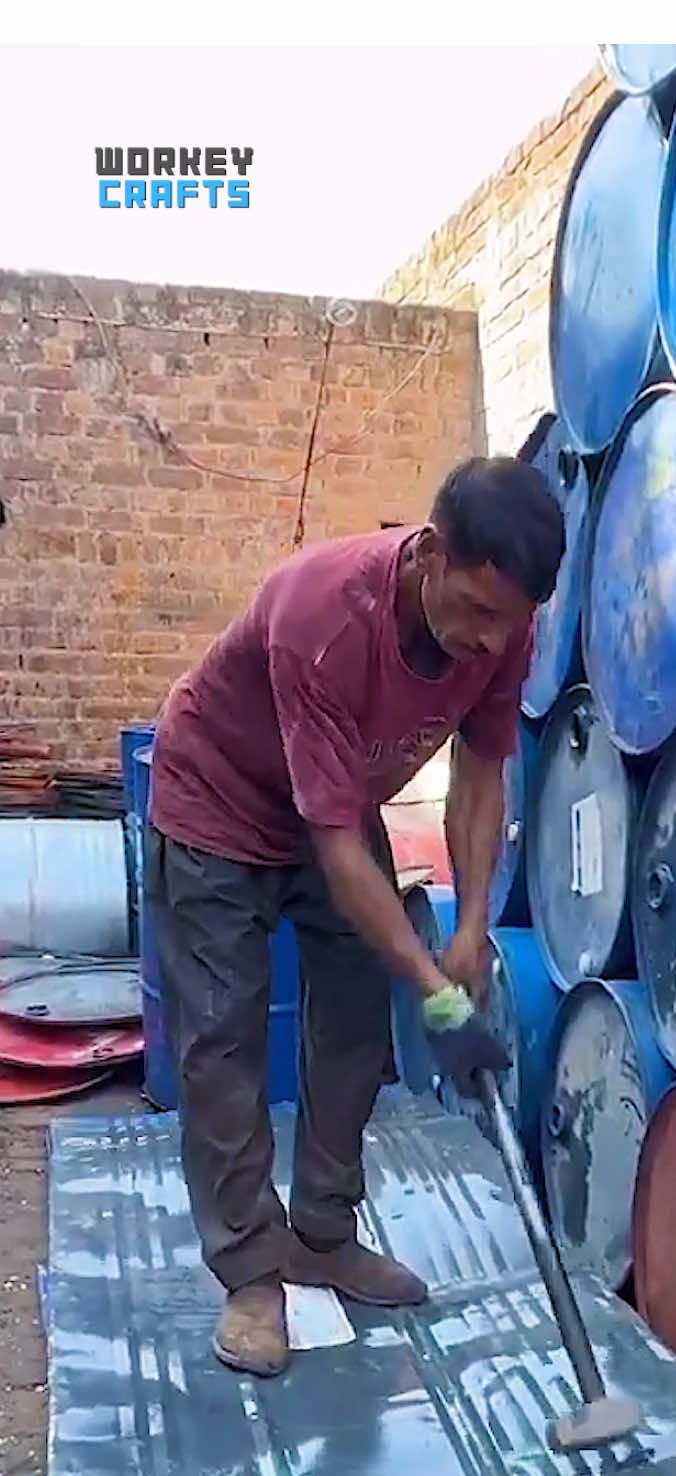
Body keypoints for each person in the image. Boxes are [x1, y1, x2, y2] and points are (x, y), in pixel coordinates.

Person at [144, 456, 564, 1379]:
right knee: (223, 1039)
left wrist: (467, 931)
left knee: (352, 1016)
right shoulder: (324, 616)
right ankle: (253, 1271)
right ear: (432, 555)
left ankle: (323, 1234)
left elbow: (483, 774)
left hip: (329, 803)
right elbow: (339, 852)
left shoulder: (504, 632)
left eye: (514, 623)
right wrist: (439, 998)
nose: (493, 644)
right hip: (217, 799)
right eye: (482, 614)